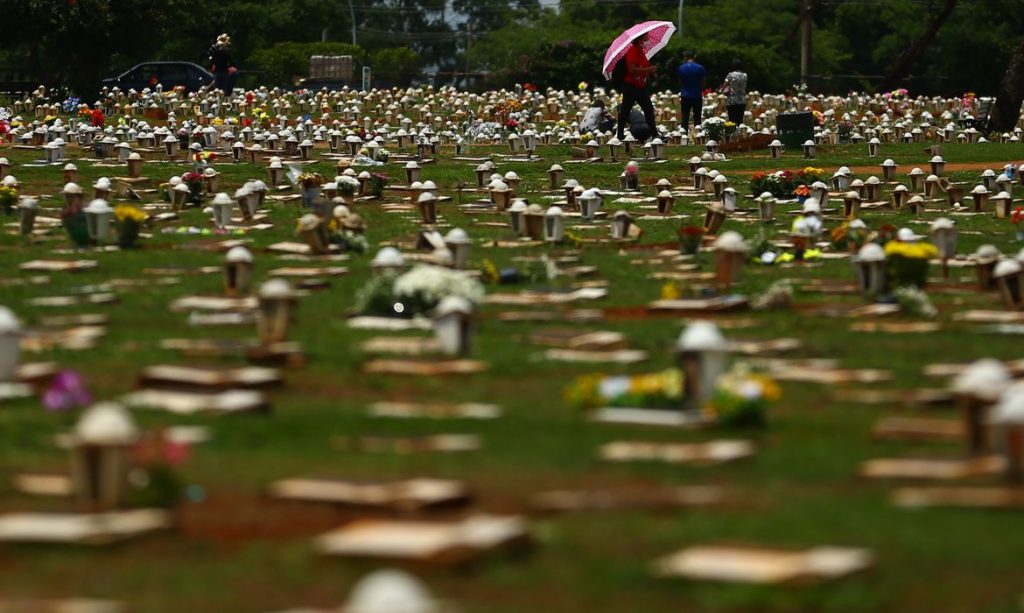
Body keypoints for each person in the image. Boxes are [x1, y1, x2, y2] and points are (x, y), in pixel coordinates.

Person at [615, 33, 659, 142]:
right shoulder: (632, 50)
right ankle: (620, 134)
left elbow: (645, 64)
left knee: (648, 108)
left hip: (640, 86)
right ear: (640, 40)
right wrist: (648, 70)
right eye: (646, 39)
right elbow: (632, 70)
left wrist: (651, 71)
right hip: (630, 86)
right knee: (626, 109)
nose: (648, 41)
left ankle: (654, 133)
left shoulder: (641, 51)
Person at [677, 51, 705, 134]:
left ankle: (684, 133)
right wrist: (700, 89)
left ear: (685, 57)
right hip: (697, 94)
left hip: (685, 94)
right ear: (694, 56)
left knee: (685, 115)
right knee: (697, 116)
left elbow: (679, 82)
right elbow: (703, 81)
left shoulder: (681, 68)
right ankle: (698, 134)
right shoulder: (700, 67)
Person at [721, 60, 748, 125]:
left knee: (732, 120)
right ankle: (740, 134)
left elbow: (724, 86)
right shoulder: (745, 75)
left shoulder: (730, 75)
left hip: (732, 100)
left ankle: (733, 133)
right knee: (740, 120)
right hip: (742, 100)